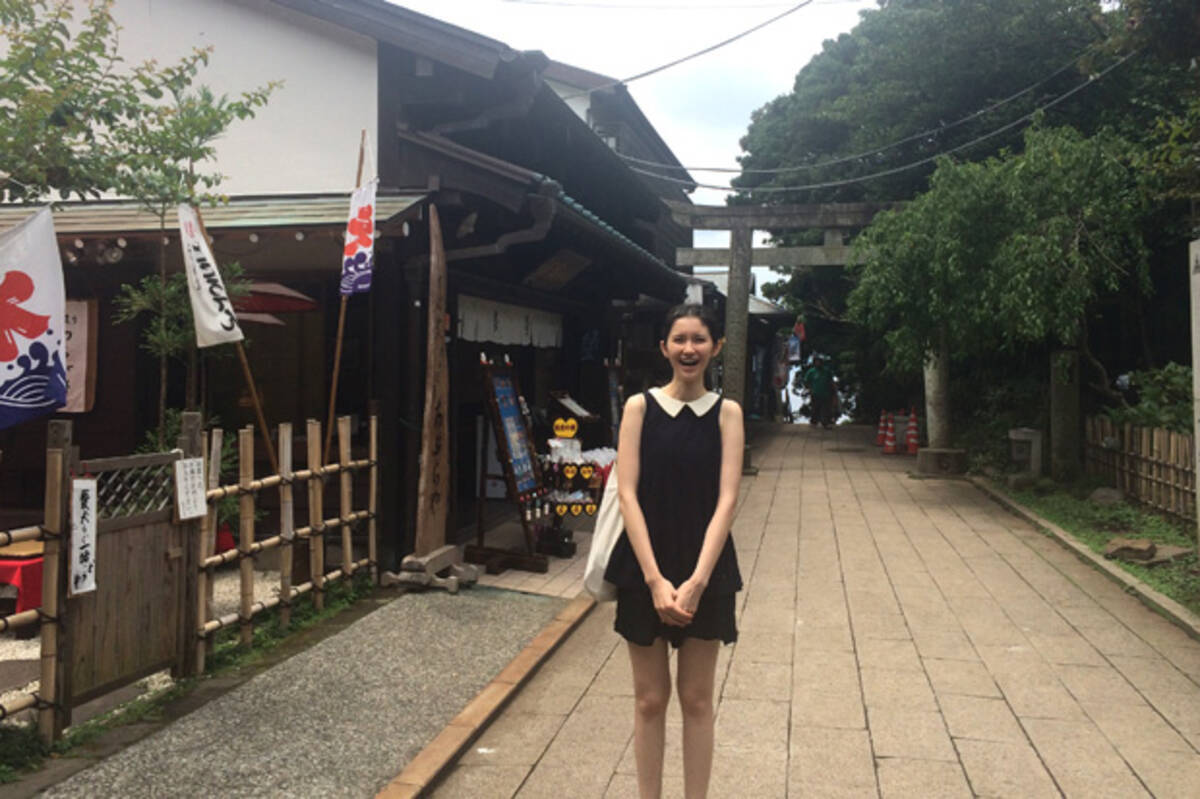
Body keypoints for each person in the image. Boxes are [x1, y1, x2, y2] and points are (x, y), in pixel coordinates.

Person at [603, 303, 743, 799]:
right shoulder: (639, 408)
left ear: (716, 347)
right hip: (646, 566)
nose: (689, 349)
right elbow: (627, 494)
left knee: (697, 699)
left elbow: (728, 500)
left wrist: (698, 581)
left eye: (699, 339)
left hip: (707, 568)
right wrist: (655, 580)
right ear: (663, 347)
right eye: (679, 339)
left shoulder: (727, 414)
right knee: (649, 700)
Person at [803, 355, 836, 428]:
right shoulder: (811, 372)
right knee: (815, 408)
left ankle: (825, 423)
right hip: (815, 393)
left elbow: (831, 381)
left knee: (825, 409)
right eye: (816, 362)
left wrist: (833, 391)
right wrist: (809, 389)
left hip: (826, 393)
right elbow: (806, 381)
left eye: (819, 362)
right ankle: (814, 422)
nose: (818, 363)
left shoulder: (826, 371)